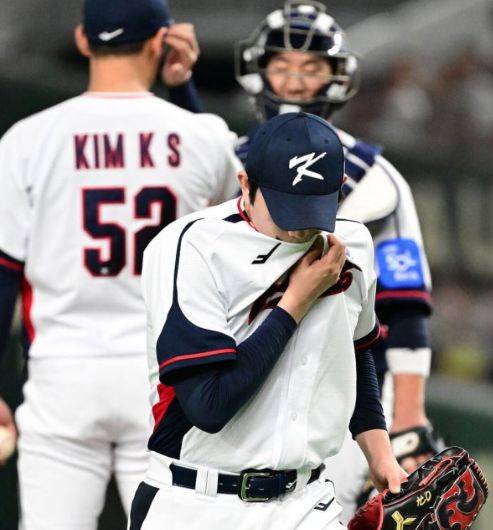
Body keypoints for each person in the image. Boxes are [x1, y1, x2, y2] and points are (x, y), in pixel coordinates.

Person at [0, 0, 239, 527]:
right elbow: (235, 212)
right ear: (160, 41)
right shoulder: (202, 135)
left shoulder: (27, 139)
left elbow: (3, 275)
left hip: (62, 374)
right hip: (165, 375)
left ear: (83, 40)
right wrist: (182, 86)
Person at [129, 112, 405, 530]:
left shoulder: (353, 244)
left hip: (306, 502)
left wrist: (381, 458)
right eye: (285, 209)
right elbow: (209, 405)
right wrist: (295, 302)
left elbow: (356, 350)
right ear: (245, 184)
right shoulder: (193, 247)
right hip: (197, 501)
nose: (298, 228)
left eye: (313, 207)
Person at [233, 0, 437, 522]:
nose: (295, 80)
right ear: (259, 70)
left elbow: (406, 307)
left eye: (311, 66)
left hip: (345, 391)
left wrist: (408, 415)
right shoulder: (224, 161)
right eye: (282, 64)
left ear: (336, 76)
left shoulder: (377, 178)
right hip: (239, 382)